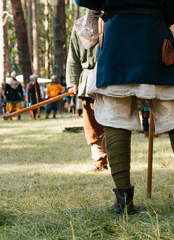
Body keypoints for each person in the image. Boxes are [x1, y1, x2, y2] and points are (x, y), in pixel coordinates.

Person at [75, 0, 174, 214]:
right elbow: (173, 8)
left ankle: (123, 201)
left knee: (115, 117)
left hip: (117, 41)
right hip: (153, 37)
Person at [66, 9, 108, 172]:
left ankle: (117, 157)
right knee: (92, 122)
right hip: (87, 79)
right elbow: (73, 57)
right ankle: (99, 159)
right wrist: (72, 82)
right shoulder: (79, 26)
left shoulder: (111, 20)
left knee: (113, 119)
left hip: (109, 76)